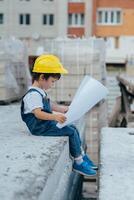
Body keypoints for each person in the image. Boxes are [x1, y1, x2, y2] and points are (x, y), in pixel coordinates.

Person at [21, 54, 97, 176]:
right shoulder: (33, 95)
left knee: (73, 128)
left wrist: (64, 109)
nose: (53, 85)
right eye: (52, 81)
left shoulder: (40, 92)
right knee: (70, 131)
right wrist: (55, 117)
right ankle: (78, 162)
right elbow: (38, 113)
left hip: (44, 124)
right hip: (39, 128)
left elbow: (50, 105)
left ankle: (82, 156)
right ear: (42, 77)